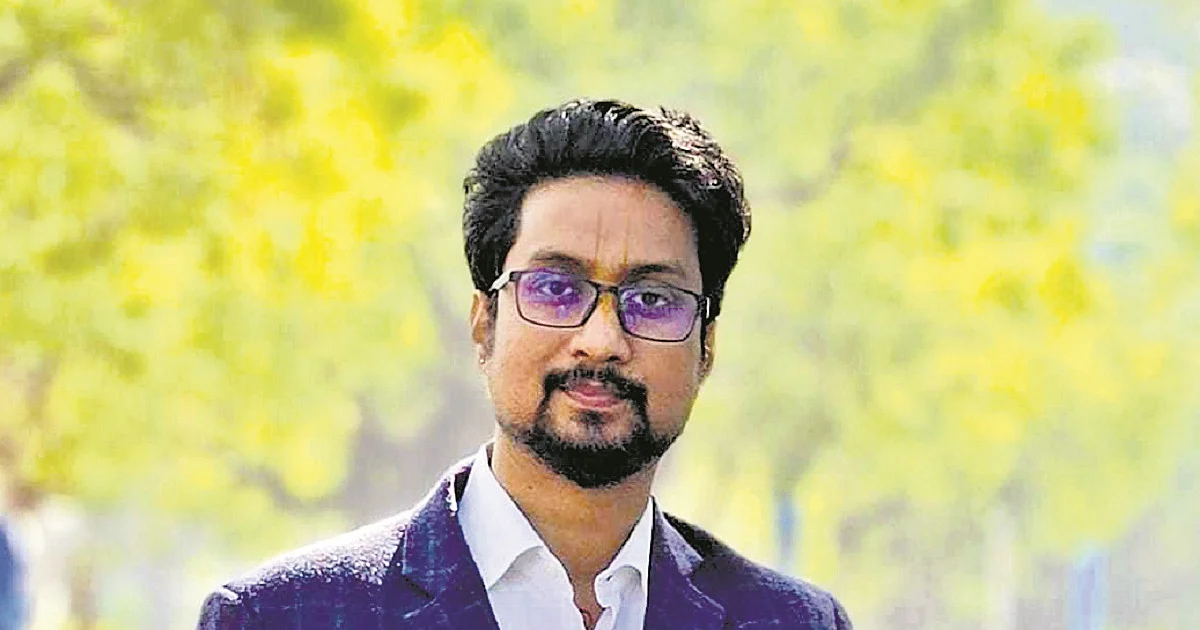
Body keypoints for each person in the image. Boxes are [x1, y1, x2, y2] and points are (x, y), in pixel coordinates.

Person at [197, 99, 852, 630]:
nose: (601, 340)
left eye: (652, 299)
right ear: (484, 323)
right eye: (555, 288)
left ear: (705, 347)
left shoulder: (792, 622)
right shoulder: (283, 617)